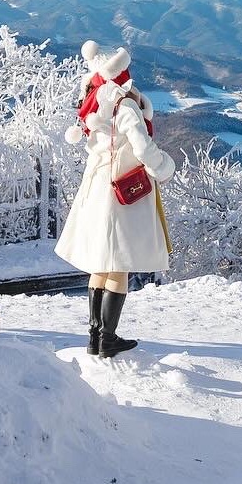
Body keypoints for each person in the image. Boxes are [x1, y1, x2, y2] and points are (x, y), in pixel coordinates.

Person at [55, 43, 175, 357]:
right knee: (119, 262)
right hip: (122, 192)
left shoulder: (93, 104)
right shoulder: (125, 107)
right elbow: (143, 148)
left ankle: (95, 336)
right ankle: (107, 338)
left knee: (101, 262)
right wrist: (162, 166)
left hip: (96, 189)